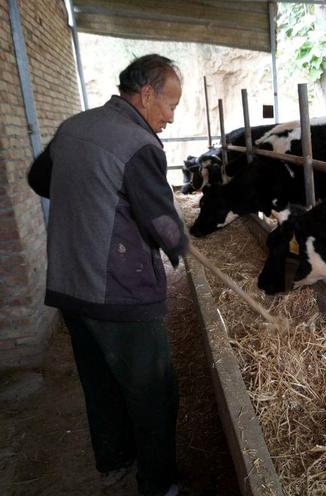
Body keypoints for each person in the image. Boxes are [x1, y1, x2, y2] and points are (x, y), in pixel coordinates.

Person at [27, 54, 188, 496]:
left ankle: (114, 461)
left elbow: (40, 180)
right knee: (154, 391)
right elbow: (161, 221)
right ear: (147, 93)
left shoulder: (73, 127)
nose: (171, 119)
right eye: (170, 105)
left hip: (69, 285)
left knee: (99, 379)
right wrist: (182, 247)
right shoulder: (139, 144)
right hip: (118, 290)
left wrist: (91, 198)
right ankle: (160, 485)